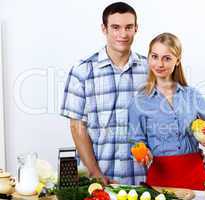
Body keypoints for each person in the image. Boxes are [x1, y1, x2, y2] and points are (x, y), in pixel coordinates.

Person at [128, 32, 205, 190]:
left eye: (167, 58)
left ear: (177, 61)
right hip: (159, 176)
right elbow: (136, 141)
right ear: (148, 58)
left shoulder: (192, 95)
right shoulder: (139, 101)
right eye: (154, 56)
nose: (159, 64)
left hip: (194, 173)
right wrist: (142, 153)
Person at [60, 2, 148, 185]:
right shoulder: (82, 71)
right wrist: (95, 172)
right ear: (104, 28)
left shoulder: (151, 69)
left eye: (128, 27)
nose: (123, 34)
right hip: (100, 181)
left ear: (136, 28)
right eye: (115, 27)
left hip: (145, 180)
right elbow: (77, 128)